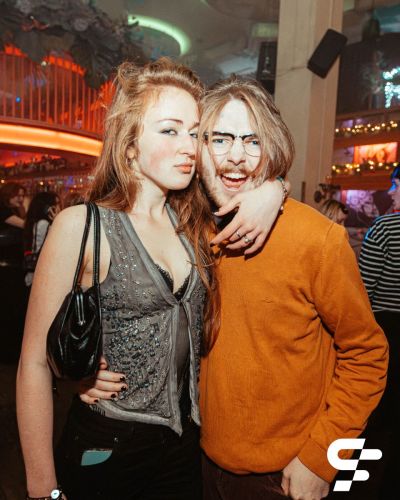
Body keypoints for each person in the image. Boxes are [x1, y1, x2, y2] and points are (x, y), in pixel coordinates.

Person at [82, 76, 388, 500]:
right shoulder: (188, 230)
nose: (237, 157)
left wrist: (324, 458)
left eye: (253, 141)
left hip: (285, 476)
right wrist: (83, 373)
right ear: (198, 150)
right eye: (220, 139)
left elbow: (367, 355)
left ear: (272, 147)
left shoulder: (318, 240)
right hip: (195, 462)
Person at [17, 60, 285, 500]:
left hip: (185, 450)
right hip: (108, 446)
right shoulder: (82, 225)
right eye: (170, 130)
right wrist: (43, 491)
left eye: (195, 133)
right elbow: (32, 365)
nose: (189, 147)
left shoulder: (196, 225)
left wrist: (275, 189)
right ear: (129, 145)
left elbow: (251, 174)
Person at [358, 165, 400, 500]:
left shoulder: (385, 228)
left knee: (371, 420)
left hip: (386, 332)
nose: (392, 193)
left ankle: (354, 487)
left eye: (396, 186)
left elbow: (361, 292)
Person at [0, 182, 27, 362]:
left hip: (13, 268)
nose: (21, 198)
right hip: (5, 270)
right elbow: (26, 225)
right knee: (9, 310)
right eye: (18, 194)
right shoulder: (3, 211)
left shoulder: (15, 211)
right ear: (8, 194)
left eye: (22, 195)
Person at [24, 191, 61, 287]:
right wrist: (57, 221)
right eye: (56, 204)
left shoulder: (38, 222)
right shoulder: (44, 224)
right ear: (47, 208)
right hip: (40, 274)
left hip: (37, 273)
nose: (59, 207)